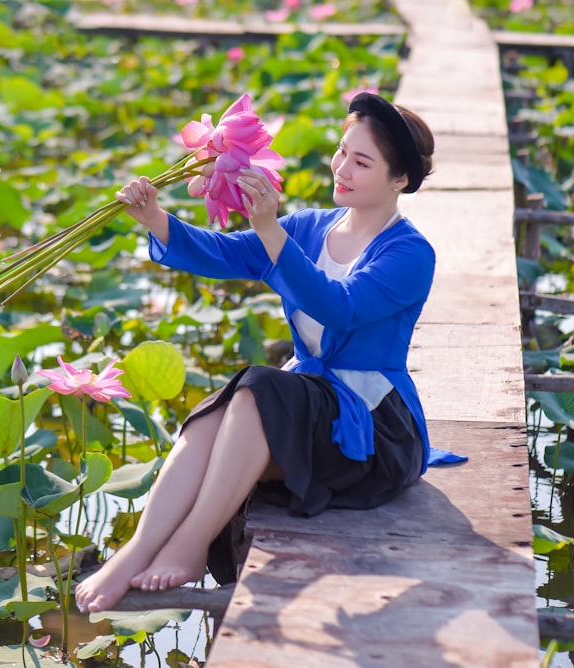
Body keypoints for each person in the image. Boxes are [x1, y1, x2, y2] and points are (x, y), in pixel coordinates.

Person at [75, 92, 436, 614]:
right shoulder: (313, 227)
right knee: (216, 412)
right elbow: (228, 253)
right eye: (341, 152)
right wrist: (155, 218)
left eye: (362, 162)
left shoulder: (409, 253)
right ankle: (136, 549)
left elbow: (340, 307)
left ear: (399, 180)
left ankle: (192, 542)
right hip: (309, 408)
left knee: (258, 389)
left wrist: (270, 228)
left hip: (374, 433)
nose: (342, 168)